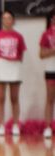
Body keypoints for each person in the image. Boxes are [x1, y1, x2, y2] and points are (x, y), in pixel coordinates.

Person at [0, 11, 27, 138]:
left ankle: (15, 124)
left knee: (14, 97)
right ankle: (1, 124)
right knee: (0, 98)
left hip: (14, 65)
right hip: (0, 65)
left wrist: (14, 61)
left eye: (9, 18)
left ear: (13, 20)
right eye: (4, 18)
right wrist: (1, 62)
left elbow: (21, 52)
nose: (6, 20)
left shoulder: (18, 36)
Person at [40, 10, 55, 139]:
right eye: (53, 19)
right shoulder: (46, 34)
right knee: (50, 99)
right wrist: (53, 50)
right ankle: (48, 127)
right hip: (51, 69)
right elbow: (41, 55)